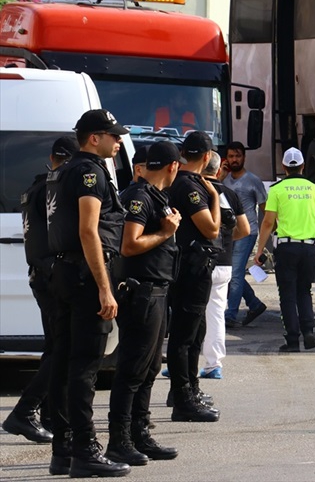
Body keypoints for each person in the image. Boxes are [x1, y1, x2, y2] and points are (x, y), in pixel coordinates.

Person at [45, 109, 130, 477]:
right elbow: (88, 231)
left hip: (62, 273)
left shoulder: (62, 170)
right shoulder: (90, 172)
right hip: (84, 277)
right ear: (93, 138)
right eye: (113, 136)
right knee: (84, 367)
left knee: (63, 362)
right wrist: (104, 288)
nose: (118, 141)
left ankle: (63, 450)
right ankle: (85, 451)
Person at [106, 141, 184, 466]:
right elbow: (129, 244)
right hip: (142, 292)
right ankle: (119, 440)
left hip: (157, 291)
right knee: (133, 368)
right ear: (173, 167)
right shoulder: (139, 196)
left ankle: (140, 434)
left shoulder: (154, 196)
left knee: (150, 368)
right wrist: (167, 233)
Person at [2, 136, 78, 444]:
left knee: (55, 346)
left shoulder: (37, 185)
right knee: (64, 349)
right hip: (54, 276)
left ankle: (50, 414)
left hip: (41, 275)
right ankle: (25, 411)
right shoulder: (56, 189)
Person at [255, 148, 315, 353]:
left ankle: (292, 339)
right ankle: (308, 331)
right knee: (304, 291)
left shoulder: (277, 190)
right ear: (303, 166)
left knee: (287, 294)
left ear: (284, 167)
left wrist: (259, 249)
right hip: (309, 248)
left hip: (286, 248)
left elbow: (268, 222)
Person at [166, 131, 221, 422]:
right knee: (185, 335)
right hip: (191, 267)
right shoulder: (191, 185)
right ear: (207, 156)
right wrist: (213, 197)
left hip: (185, 265)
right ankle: (183, 397)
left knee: (194, 331)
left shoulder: (178, 181)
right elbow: (212, 229)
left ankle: (188, 389)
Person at [201, 152, 249, 379]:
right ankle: (214, 364)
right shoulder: (230, 194)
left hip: (199, 260)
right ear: (219, 171)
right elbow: (245, 230)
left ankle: (182, 362)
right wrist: (227, 240)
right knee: (217, 313)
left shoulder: (194, 190)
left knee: (190, 313)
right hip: (224, 262)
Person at [222, 141, 268, 328]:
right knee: (233, 274)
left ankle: (231, 314)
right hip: (228, 233)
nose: (234, 159)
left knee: (234, 273)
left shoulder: (253, 180)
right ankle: (255, 304)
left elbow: (266, 209)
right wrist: (221, 176)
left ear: (244, 157)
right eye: (231, 156)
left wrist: (270, 233)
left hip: (247, 232)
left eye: (238, 156)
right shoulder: (223, 179)